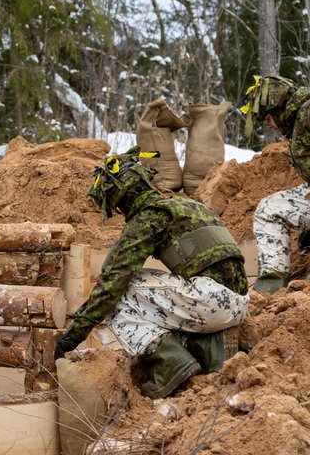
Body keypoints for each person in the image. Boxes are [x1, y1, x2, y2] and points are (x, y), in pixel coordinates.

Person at [54, 147, 249, 398]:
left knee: (120, 291)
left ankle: (171, 362)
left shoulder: (150, 216)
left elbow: (113, 281)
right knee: (159, 294)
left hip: (210, 302)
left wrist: (70, 340)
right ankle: (207, 349)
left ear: (122, 199)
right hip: (239, 305)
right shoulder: (188, 205)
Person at [241, 75, 310, 292]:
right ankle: (272, 286)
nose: (269, 126)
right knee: (269, 209)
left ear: (277, 107)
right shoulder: (299, 120)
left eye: (267, 119)